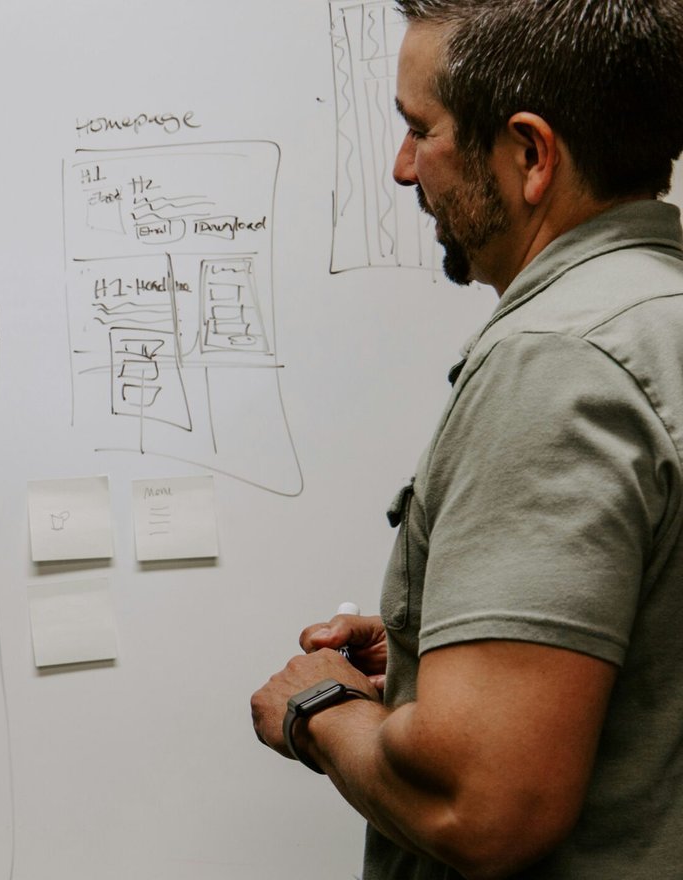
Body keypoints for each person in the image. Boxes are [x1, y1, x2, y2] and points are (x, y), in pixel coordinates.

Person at [250, 1, 683, 877]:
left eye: (422, 130)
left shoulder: (557, 363)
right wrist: (435, 646)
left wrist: (320, 709)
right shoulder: (659, 315)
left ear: (530, 154)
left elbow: (480, 806)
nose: (405, 168)